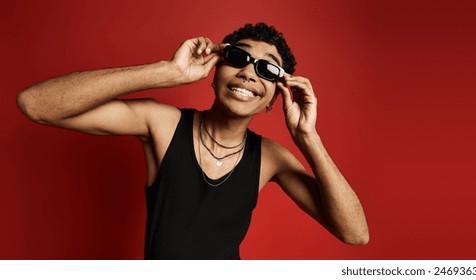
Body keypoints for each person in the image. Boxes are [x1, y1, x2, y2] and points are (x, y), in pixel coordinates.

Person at [16, 23, 369, 259]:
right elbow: (36, 104)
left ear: (274, 99)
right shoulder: (162, 124)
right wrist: (168, 72)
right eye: (238, 57)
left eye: (267, 69)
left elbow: (355, 233)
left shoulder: (270, 158)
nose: (248, 72)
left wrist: (308, 138)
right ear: (214, 73)